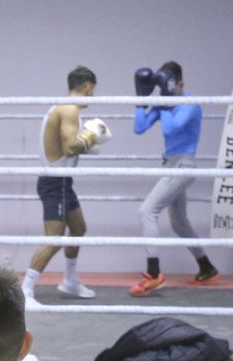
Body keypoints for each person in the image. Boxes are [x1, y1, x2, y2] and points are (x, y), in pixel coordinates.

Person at [21, 66, 111, 306]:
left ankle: (70, 280)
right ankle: (25, 290)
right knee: (55, 238)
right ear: (88, 87)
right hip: (55, 181)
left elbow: (67, 147)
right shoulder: (69, 109)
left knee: (79, 228)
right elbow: (71, 146)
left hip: (62, 181)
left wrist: (88, 142)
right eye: (93, 91)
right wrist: (91, 137)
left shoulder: (62, 107)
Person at [129, 61, 219, 296]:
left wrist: (163, 102)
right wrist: (142, 100)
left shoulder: (191, 103)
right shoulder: (165, 102)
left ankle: (154, 273)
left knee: (146, 211)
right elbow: (139, 128)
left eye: (171, 85)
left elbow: (173, 129)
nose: (168, 88)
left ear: (181, 83)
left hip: (184, 165)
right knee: (179, 223)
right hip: (170, 164)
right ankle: (206, 267)